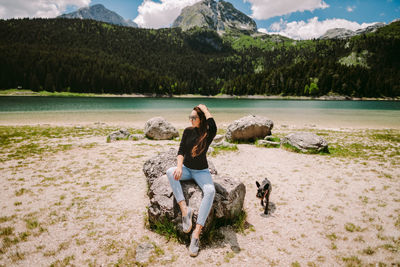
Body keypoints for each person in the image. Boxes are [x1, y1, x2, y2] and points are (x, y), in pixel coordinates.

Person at [166, 104, 217, 257]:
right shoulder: (187, 131)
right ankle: (184, 210)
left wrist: (206, 109)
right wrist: (179, 167)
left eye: (193, 117)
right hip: (187, 170)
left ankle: (196, 234)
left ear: (201, 119)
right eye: (190, 117)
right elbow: (181, 151)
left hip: (201, 172)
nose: (191, 120)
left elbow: (213, 125)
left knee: (210, 191)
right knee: (170, 172)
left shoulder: (208, 133)